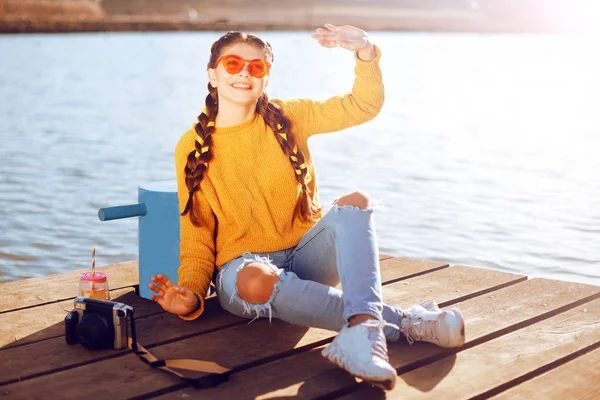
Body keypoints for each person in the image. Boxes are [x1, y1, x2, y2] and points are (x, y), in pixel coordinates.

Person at [149, 24, 465, 391]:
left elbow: (362, 106)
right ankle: (408, 323)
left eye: (257, 66)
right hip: (242, 275)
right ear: (213, 73)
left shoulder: (289, 116)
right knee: (256, 276)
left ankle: (363, 333)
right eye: (233, 63)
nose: (245, 73)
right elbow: (197, 232)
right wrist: (189, 294)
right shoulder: (191, 145)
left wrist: (364, 51)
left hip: (306, 257)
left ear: (266, 78)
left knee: (357, 202)